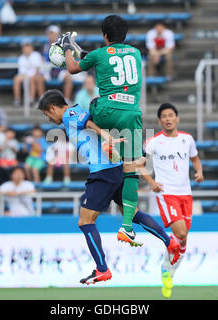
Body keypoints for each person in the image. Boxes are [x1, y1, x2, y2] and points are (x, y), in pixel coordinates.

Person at [38, 90, 180, 284]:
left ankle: (102, 269)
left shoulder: (69, 115)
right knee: (133, 213)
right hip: (114, 167)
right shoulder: (75, 114)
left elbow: (88, 123)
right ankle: (170, 242)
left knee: (85, 222)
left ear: (53, 108)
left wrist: (107, 136)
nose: (49, 119)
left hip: (103, 172)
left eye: (47, 114)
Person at [62, 15, 144, 244]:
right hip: (132, 113)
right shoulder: (136, 53)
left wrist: (69, 49)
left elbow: (72, 68)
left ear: (105, 36)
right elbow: (107, 58)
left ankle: (106, 141)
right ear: (125, 35)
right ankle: (126, 227)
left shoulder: (99, 54)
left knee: (93, 104)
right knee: (132, 169)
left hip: (106, 110)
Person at [140, 103, 203, 298]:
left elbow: (195, 159)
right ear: (159, 121)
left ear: (177, 118)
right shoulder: (154, 142)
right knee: (181, 232)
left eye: (171, 115)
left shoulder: (187, 139)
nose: (168, 119)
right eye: (164, 116)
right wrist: (151, 182)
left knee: (183, 238)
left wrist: (199, 171)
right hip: (166, 193)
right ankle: (168, 267)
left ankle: (168, 269)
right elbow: (138, 164)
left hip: (186, 193)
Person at [42, 25, 77, 102]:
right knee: (38, 78)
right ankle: (42, 100)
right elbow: (44, 60)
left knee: (68, 77)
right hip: (49, 71)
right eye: (50, 34)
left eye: (53, 34)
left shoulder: (63, 45)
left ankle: (66, 99)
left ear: (57, 35)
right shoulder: (45, 46)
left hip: (60, 70)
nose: (51, 36)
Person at [13, 42, 45, 107]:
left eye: (28, 47)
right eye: (25, 48)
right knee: (16, 79)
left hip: (36, 75)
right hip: (26, 75)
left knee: (32, 78)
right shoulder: (21, 58)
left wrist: (29, 75)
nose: (26, 49)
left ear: (31, 48)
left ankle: (31, 99)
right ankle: (17, 100)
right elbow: (22, 71)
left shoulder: (36, 55)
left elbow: (38, 69)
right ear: (23, 49)